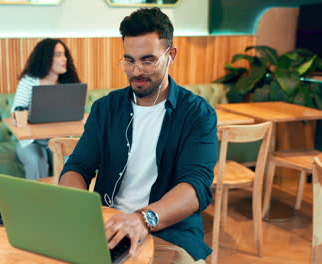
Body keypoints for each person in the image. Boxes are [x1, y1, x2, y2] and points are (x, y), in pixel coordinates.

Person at [59, 7, 217, 263]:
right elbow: (78, 166)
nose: (136, 71)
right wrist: (81, 211)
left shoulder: (196, 114)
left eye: (148, 60)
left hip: (169, 231)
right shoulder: (105, 109)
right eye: (129, 60)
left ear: (171, 55)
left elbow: (195, 187)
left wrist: (143, 219)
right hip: (107, 226)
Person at [11, 38, 80, 180]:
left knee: (72, 161)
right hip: (31, 142)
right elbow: (16, 112)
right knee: (36, 160)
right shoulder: (29, 81)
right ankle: (38, 200)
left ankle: (69, 198)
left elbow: (75, 114)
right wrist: (19, 113)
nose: (64, 59)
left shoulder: (69, 83)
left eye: (64, 54)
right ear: (46, 58)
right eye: (58, 55)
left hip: (60, 139)